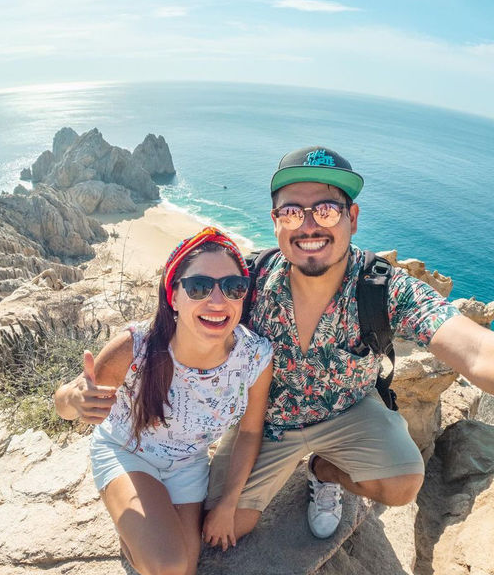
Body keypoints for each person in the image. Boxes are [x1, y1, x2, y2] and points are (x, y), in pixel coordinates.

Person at [206, 146, 494, 541]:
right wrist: (100, 384)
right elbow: (173, 327)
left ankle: (324, 471)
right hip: (266, 424)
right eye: (292, 212)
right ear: (276, 222)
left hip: (348, 412)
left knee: (402, 484)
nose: (309, 227)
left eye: (326, 210)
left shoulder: (382, 288)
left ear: (352, 218)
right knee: (224, 528)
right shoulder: (249, 281)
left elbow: (476, 350)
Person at [54, 228, 273, 575]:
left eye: (233, 287)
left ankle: (147, 530)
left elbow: (251, 433)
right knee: (168, 568)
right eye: (200, 287)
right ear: (174, 296)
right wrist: (75, 399)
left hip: (188, 465)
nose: (218, 301)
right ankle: (129, 520)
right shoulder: (136, 346)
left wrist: (227, 502)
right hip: (128, 454)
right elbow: (64, 402)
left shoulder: (254, 357)